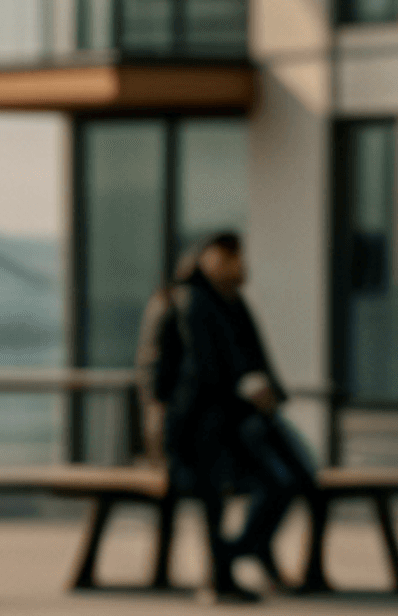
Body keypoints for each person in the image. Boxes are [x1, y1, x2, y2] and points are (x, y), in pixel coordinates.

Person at [144, 232, 316, 604]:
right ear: (202, 257)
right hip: (197, 425)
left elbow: (255, 357)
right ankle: (222, 571)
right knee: (220, 488)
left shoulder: (233, 302)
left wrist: (267, 394)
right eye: (221, 256)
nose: (229, 264)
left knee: (292, 477)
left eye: (234, 257)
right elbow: (180, 371)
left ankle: (239, 552)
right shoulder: (186, 300)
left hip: (234, 420)